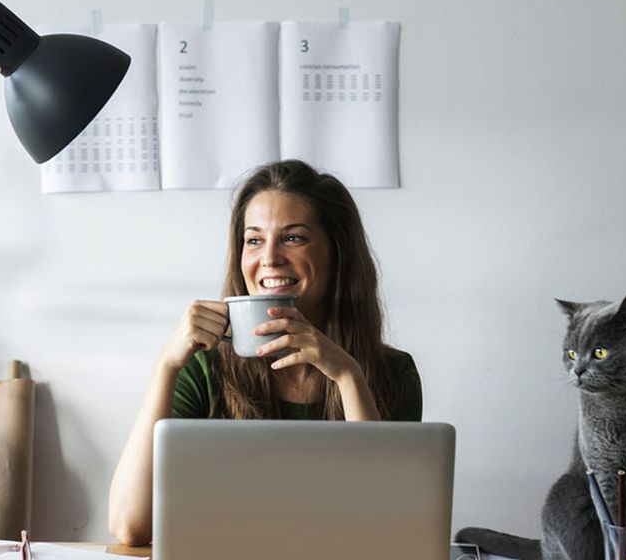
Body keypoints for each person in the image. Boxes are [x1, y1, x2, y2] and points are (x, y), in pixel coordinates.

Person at [106, 159, 422, 546]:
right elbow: (131, 526)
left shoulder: (393, 372)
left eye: (293, 238)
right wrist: (166, 366)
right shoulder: (203, 369)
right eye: (254, 239)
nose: (269, 258)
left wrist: (348, 377)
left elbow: (386, 529)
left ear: (338, 255)